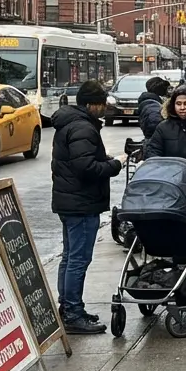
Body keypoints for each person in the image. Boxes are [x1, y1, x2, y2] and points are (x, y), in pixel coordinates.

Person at [50, 80, 124, 335]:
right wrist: (115, 166)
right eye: (102, 104)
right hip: (81, 203)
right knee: (78, 259)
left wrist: (104, 159)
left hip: (70, 201)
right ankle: (72, 312)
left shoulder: (71, 122)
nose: (104, 109)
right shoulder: (83, 127)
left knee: (70, 257)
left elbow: (79, 160)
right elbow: (86, 168)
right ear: (92, 104)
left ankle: (69, 308)